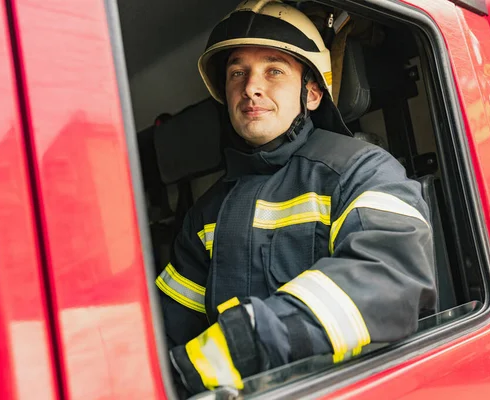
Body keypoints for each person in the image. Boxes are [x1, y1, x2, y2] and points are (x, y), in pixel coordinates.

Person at [156, 0, 436, 395]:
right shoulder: (205, 214)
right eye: (238, 72)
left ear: (314, 94)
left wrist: (240, 345)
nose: (250, 87)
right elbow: (167, 325)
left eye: (274, 70)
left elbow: (391, 280)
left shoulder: (361, 171)